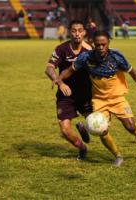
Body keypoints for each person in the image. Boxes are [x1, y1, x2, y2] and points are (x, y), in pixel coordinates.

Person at [56, 31, 136, 167]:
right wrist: (59, 80)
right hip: (99, 100)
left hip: (117, 98)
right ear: (93, 44)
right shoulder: (85, 58)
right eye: (98, 45)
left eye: (104, 44)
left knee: (131, 127)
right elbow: (70, 70)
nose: (101, 47)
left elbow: (133, 72)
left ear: (108, 44)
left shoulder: (116, 56)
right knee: (102, 130)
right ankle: (118, 156)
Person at [45, 20, 93, 160]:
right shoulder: (61, 49)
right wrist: (60, 82)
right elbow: (49, 68)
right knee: (65, 130)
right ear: (69, 32)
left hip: (85, 94)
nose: (77, 33)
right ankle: (82, 148)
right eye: (74, 30)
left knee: (98, 125)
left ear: (84, 32)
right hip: (66, 95)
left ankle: (84, 128)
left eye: (80, 30)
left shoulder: (89, 50)